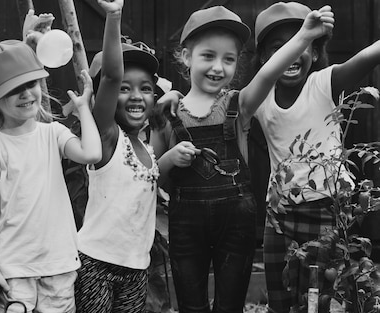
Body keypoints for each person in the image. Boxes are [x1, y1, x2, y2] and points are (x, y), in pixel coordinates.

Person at [150, 5, 334, 313]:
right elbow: (150, 173)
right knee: (191, 306)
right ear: (185, 57)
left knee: (230, 305)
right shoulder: (169, 112)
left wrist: (305, 35)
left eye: (229, 59)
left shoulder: (240, 105)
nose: (218, 67)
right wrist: (170, 157)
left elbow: (270, 71)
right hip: (186, 226)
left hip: (235, 224)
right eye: (208, 56)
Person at [251, 2, 380, 312]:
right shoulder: (258, 97)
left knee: (326, 297)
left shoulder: (323, 84)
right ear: (264, 58)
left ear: (315, 48)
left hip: (328, 210)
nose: (292, 54)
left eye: (301, 43)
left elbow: (366, 57)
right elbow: (216, 100)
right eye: (277, 47)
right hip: (279, 215)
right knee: (279, 298)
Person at [0, 39, 101, 313]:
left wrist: (83, 109)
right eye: (13, 90)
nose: (26, 94)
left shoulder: (52, 134)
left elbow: (91, 153)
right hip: (12, 270)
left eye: (30, 84)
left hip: (58, 265)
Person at [72, 0, 166, 311]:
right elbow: (111, 76)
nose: (137, 96)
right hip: (96, 266)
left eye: (146, 88)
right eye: (126, 89)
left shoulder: (147, 148)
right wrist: (114, 16)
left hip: (137, 268)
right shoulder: (106, 138)